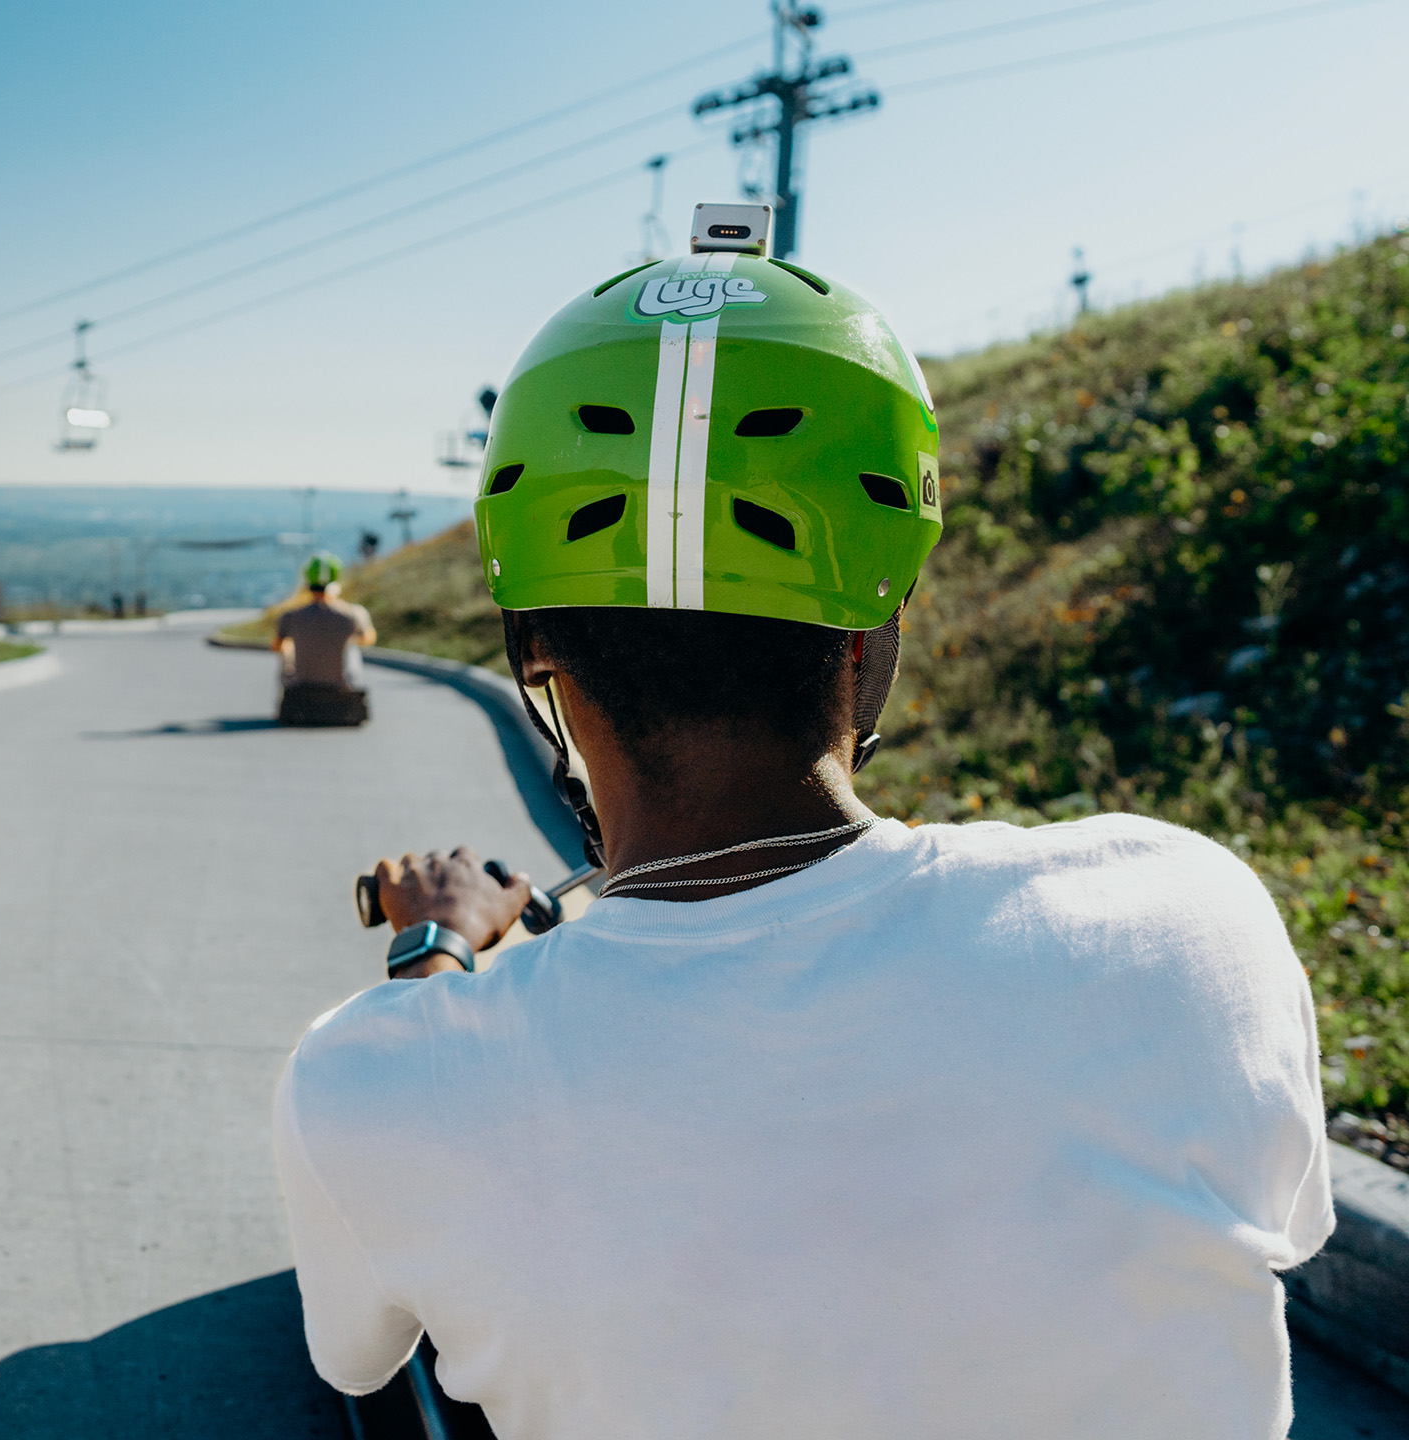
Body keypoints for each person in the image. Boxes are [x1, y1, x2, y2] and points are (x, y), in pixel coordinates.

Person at [272, 218, 1331, 1439]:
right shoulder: (1185, 916)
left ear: (532, 646)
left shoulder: (373, 1077)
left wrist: (433, 962)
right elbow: (1288, 1224)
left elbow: (356, 1358)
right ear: (873, 628)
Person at [275, 554, 378, 726]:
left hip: (301, 681)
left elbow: (276, 645)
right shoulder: (353, 614)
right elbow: (368, 639)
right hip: (341, 681)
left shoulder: (290, 616)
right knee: (351, 646)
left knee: (287, 647)